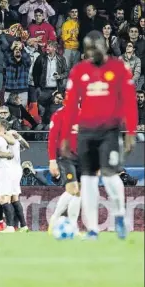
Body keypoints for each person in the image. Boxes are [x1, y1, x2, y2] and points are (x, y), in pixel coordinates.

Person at [60, 30, 138, 240]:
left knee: (110, 174)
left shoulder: (118, 68)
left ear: (104, 45)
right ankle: (93, 229)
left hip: (109, 131)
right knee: (88, 179)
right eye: (87, 49)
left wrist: (131, 131)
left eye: (95, 48)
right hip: (86, 132)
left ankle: (120, 215)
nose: (91, 52)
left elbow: (130, 101)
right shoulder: (79, 71)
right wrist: (66, 136)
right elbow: (69, 107)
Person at [47, 105, 81, 234]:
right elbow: (52, 138)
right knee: (73, 189)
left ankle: (73, 225)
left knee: (79, 193)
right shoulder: (59, 114)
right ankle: (55, 217)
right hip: (66, 157)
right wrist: (52, 160)